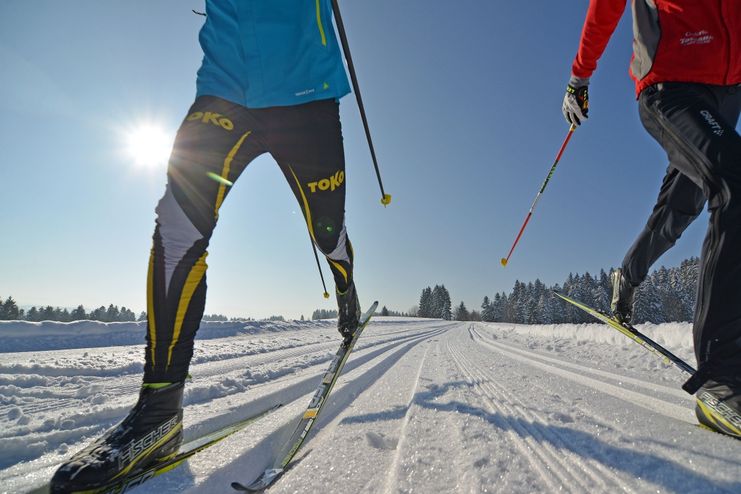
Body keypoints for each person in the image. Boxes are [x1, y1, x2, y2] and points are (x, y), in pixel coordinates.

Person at [51, 1, 364, 490]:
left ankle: (347, 292)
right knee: (177, 224)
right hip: (225, 86)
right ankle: (159, 413)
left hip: (306, 88)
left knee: (327, 232)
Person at [561, 0, 741, 438]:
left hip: (727, 91)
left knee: (678, 212)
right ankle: (724, 377)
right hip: (670, 86)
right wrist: (580, 76)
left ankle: (627, 275)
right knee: (735, 183)